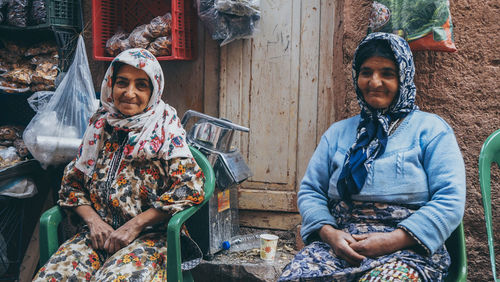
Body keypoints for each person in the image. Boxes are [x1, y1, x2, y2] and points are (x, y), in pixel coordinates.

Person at [279, 32, 465, 281]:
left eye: (387, 73)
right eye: (366, 72)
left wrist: (392, 240)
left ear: (403, 78)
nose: (374, 82)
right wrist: (330, 234)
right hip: (339, 249)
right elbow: (311, 191)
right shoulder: (338, 133)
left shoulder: (431, 131)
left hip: (408, 251)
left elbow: (450, 200)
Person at [33, 48, 205, 281]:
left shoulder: (166, 130)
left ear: (154, 90)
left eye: (141, 85)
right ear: (111, 85)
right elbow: (71, 186)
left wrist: (135, 225)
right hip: (96, 236)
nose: (129, 93)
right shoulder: (99, 127)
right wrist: (94, 222)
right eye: (122, 83)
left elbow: (190, 188)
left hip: (149, 240)